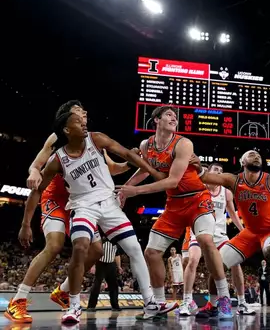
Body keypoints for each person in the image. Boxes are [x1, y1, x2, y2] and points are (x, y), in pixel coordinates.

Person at [35, 111, 176, 324]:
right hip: (83, 206)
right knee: (81, 247)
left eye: (84, 122)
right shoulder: (57, 160)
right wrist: (26, 223)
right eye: (78, 122)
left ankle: (150, 303)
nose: (84, 124)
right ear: (66, 130)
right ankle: (73, 306)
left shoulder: (96, 138)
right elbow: (38, 190)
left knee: (135, 249)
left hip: (109, 204)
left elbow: (128, 155)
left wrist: (154, 172)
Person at [5, 100, 128, 323]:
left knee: (97, 250)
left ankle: (62, 291)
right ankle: (18, 301)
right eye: (79, 112)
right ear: (68, 119)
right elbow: (36, 165)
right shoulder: (56, 139)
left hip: (80, 201)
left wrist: (132, 162)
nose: (85, 114)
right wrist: (33, 173)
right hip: (55, 198)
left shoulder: (91, 139)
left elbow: (112, 168)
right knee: (54, 245)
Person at [116, 106, 233, 320]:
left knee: (206, 240)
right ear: (156, 120)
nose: (174, 118)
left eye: (175, 116)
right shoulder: (146, 145)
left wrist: (135, 191)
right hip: (174, 204)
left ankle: (224, 298)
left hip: (198, 198)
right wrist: (125, 189)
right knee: (151, 252)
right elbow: (144, 169)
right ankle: (159, 302)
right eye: (169, 114)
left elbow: (172, 180)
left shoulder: (183, 143)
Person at [197, 150, 270, 313]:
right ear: (242, 162)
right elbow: (205, 176)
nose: (256, 156)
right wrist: (193, 162)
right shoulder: (233, 180)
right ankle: (212, 304)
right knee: (216, 263)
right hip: (250, 232)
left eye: (258, 155)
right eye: (251, 154)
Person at [179, 163, 254, 317]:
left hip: (220, 235)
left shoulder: (226, 192)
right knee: (192, 260)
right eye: (216, 170)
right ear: (208, 172)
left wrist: (244, 231)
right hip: (200, 231)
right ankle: (186, 301)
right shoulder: (199, 187)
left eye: (221, 170)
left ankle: (241, 303)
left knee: (235, 263)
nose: (219, 172)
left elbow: (232, 214)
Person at [87, 236, 122, 311]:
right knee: (96, 285)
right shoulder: (100, 240)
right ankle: (91, 306)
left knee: (114, 286)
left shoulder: (115, 241)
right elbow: (93, 252)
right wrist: (93, 265)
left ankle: (115, 306)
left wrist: (119, 266)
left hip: (111, 264)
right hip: (100, 264)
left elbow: (117, 255)